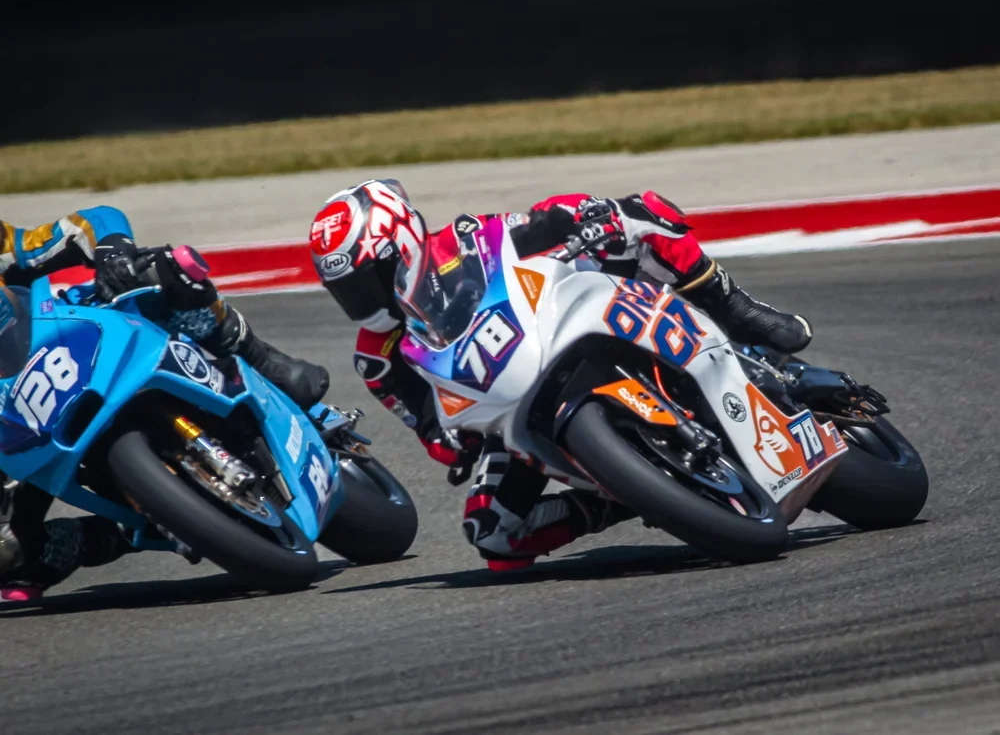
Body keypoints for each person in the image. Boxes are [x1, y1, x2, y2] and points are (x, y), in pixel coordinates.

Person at [310, 180, 813, 571]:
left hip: (563, 328)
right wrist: (452, 437)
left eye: (366, 281)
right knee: (494, 534)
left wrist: (582, 218)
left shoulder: (466, 240)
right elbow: (431, 432)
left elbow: (541, 223)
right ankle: (623, 498)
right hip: (509, 412)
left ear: (402, 244)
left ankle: (736, 309)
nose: (362, 300)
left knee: (638, 214)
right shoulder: (378, 358)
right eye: (347, 291)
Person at [0, 206, 330, 600]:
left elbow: (89, 222)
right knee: (8, 552)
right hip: (16, 427)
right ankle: (127, 528)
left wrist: (111, 249)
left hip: (59, 339)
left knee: (156, 270)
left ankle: (261, 359)